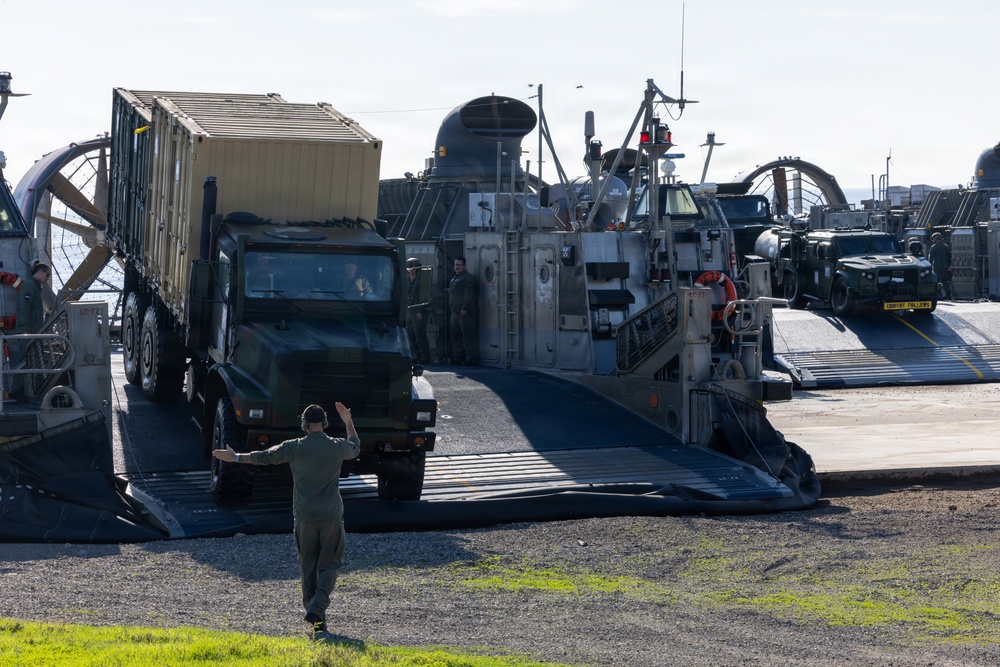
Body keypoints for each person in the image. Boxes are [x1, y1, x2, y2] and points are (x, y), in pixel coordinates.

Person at [211, 402, 360, 640]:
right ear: (324, 423)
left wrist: (236, 457)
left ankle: (317, 623)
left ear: (304, 424)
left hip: (304, 517)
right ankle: (318, 605)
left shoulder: (294, 447)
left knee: (307, 567)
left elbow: (264, 457)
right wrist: (348, 422)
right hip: (331, 515)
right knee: (330, 564)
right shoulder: (336, 446)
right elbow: (355, 446)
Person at [8, 261, 51, 398]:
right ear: (40, 272)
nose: (48, 278)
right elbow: (24, 309)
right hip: (28, 331)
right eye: (47, 275)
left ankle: (35, 389)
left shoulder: (35, 287)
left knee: (32, 360)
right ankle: (16, 391)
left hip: (34, 331)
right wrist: (25, 331)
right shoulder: (29, 286)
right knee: (23, 360)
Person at [447, 255, 478, 365]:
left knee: (467, 336)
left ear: (464, 266)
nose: (457, 267)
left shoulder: (467, 278)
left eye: (459, 265)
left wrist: (465, 308)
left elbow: (469, 294)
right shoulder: (454, 277)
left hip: (465, 313)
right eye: (456, 265)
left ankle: (471, 358)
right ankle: (459, 357)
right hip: (454, 311)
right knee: (455, 335)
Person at [405, 258, 431, 363]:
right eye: (409, 268)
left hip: (418, 309)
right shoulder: (407, 279)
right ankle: (417, 354)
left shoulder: (422, 279)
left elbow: (425, 296)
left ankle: (425, 355)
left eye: (413, 268)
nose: (411, 270)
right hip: (408, 309)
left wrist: (421, 311)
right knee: (411, 334)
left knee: (420, 334)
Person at [928, 232, 952, 299]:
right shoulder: (946, 246)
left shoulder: (933, 247)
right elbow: (949, 257)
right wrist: (948, 266)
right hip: (945, 267)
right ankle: (948, 294)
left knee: (937, 282)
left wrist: (929, 267)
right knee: (945, 281)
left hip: (937, 267)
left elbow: (931, 258)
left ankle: (939, 295)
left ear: (936, 239)